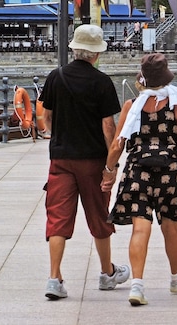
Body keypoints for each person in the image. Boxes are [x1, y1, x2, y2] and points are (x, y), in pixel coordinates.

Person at [40, 24, 129, 300]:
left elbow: (44, 116)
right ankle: (107, 273)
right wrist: (110, 167)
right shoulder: (102, 82)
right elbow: (107, 127)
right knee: (99, 215)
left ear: (76, 50)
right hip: (92, 161)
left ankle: (54, 278)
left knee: (58, 217)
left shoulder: (57, 77)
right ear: (95, 54)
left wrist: (57, 135)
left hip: (62, 159)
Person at [104, 53, 177, 306]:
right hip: (170, 172)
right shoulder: (176, 105)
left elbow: (116, 146)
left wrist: (108, 172)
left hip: (137, 170)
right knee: (171, 227)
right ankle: (176, 278)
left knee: (140, 227)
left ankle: (137, 285)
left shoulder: (131, 106)